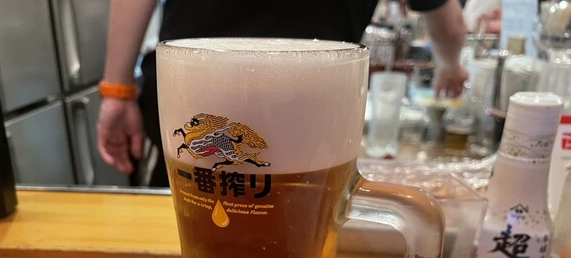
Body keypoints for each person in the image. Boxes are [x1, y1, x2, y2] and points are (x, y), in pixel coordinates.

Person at [97, 0, 468, 186]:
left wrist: (117, 91)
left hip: (190, 93)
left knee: (190, 224)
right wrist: (450, 66)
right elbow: (449, 24)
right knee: (297, 240)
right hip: (312, 109)